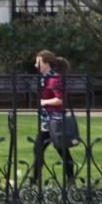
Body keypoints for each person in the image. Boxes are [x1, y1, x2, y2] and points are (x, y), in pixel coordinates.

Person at [31, 49, 76, 185]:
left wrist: (44, 102)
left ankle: (70, 178)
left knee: (61, 150)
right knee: (40, 149)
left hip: (55, 122)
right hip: (47, 122)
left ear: (46, 64)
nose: (35, 65)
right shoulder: (45, 78)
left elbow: (60, 100)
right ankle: (35, 180)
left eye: (38, 62)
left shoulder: (54, 79)